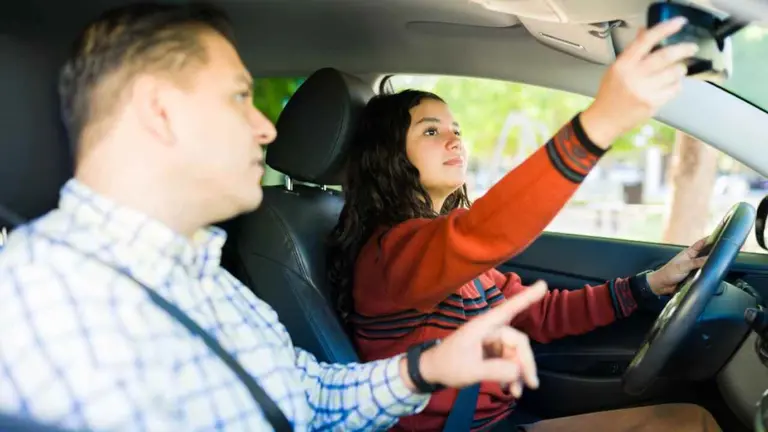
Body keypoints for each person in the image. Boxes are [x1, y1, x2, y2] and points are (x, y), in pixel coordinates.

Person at [0, 3, 546, 431]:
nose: (265, 128)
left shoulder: (211, 280)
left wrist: (423, 369)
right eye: (240, 97)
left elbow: (311, 397)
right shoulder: (39, 308)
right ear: (159, 111)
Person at [327, 17, 721, 432]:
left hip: (502, 421)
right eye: (430, 131)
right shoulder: (392, 254)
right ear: (389, 155)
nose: (454, 139)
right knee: (691, 424)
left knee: (689, 419)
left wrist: (649, 285)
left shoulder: (441, 251)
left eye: (455, 129)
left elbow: (542, 313)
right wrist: (599, 125)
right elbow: (483, 232)